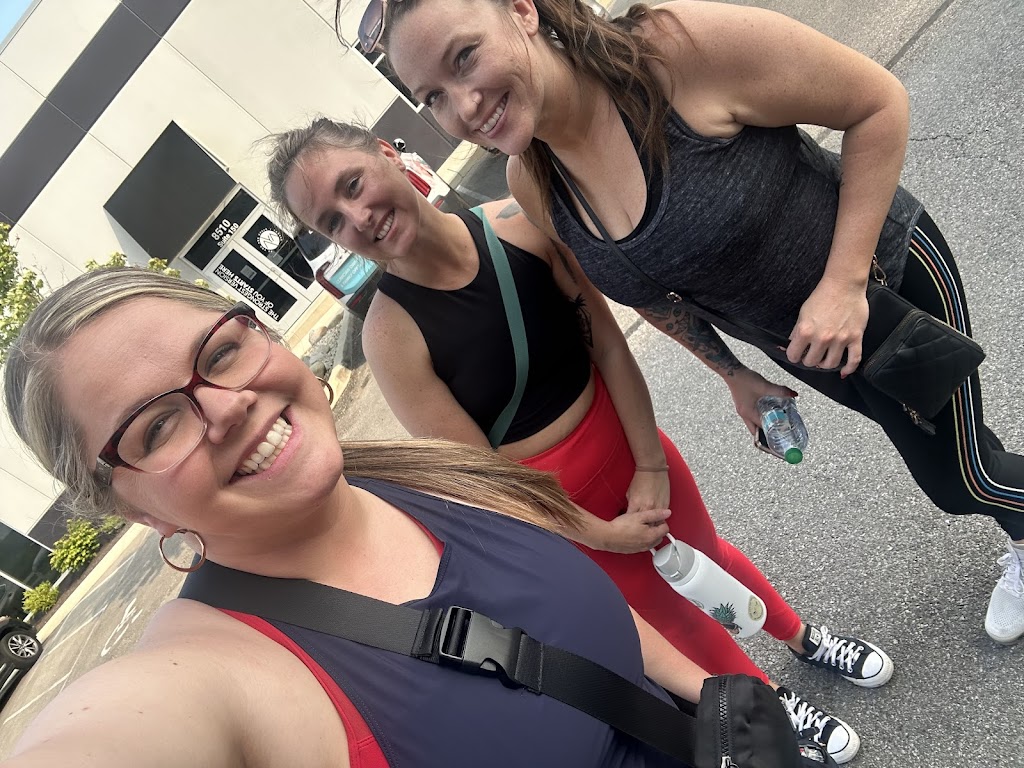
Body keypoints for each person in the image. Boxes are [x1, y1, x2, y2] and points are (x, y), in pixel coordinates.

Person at [370, 0, 1024, 644]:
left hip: (886, 288)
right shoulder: (535, 182)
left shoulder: (670, 53)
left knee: (959, 477)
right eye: (433, 97)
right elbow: (649, 292)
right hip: (808, 344)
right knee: (953, 447)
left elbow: (877, 102)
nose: (464, 105)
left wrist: (844, 283)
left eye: (465, 57)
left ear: (522, 10)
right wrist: (733, 374)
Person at [267, 118, 895, 763]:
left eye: (352, 185)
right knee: (669, 620)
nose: (357, 218)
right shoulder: (392, 337)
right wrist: (596, 534)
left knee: (708, 559)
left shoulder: (518, 225)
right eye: (331, 222)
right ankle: (771, 708)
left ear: (387, 154)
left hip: (631, 446)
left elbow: (609, 347)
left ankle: (803, 637)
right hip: (558, 510)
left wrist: (649, 463)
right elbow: (480, 479)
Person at [1, 267, 735, 767]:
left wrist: (725, 707)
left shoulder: (427, 473)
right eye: (157, 428)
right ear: (129, 506)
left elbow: (585, 621)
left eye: (221, 353)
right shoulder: (207, 672)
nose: (228, 409)